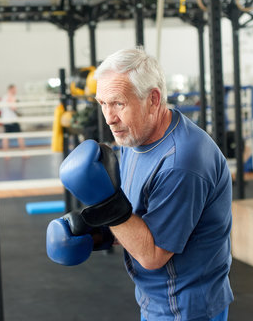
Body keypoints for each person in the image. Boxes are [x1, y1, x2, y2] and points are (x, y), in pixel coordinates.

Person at [46, 47, 233, 320]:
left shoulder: (181, 163)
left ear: (153, 99)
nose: (109, 118)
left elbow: (153, 255)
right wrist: (97, 231)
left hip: (186, 310)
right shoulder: (135, 137)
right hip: (158, 301)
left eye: (118, 103)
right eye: (102, 104)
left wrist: (106, 205)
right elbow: (141, 217)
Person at [0, 84, 25, 150]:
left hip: (6, 120)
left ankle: (6, 154)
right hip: (11, 120)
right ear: (11, 89)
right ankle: (24, 152)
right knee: (19, 136)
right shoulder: (10, 97)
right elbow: (13, 108)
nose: (16, 91)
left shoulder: (4, 97)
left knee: (6, 137)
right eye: (14, 89)